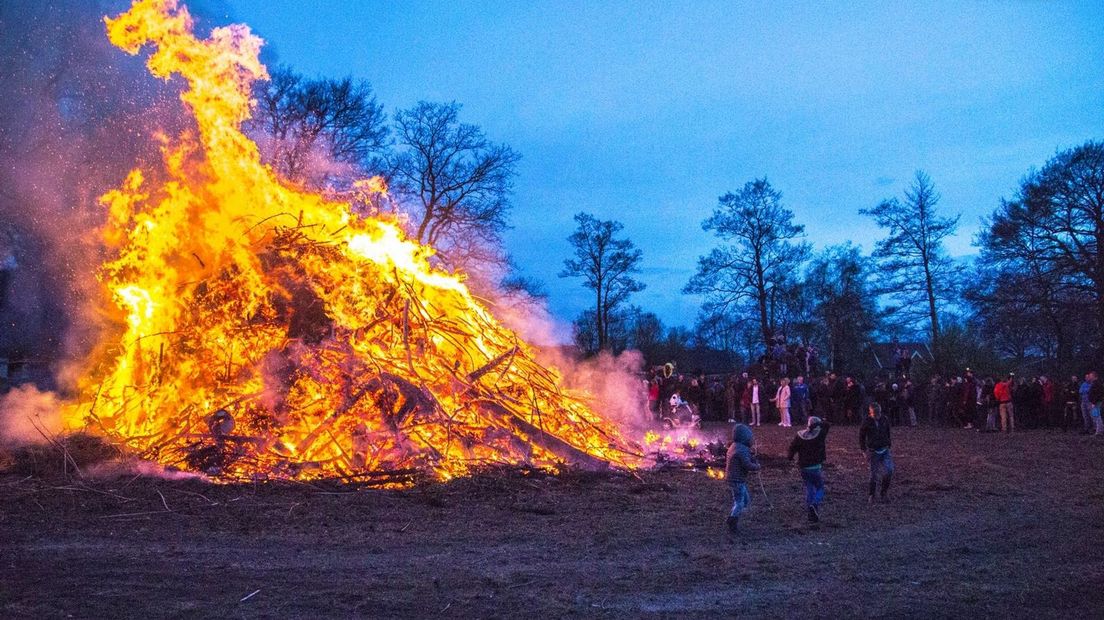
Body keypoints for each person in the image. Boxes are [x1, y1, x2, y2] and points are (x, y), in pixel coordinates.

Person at [787, 416, 831, 523]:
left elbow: (792, 448)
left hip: (803, 467)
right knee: (820, 488)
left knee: (809, 488)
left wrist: (790, 457)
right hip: (816, 467)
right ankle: (814, 504)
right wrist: (819, 423)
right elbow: (827, 424)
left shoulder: (800, 436)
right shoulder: (820, 435)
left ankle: (810, 512)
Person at [725, 424, 761, 534]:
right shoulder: (741, 450)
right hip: (737, 480)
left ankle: (733, 516)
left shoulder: (735, 447)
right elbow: (747, 465)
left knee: (744, 500)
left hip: (734, 478)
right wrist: (757, 466)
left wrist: (752, 456)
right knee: (740, 502)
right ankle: (732, 520)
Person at [859, 403, 894, 503]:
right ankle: (872, 494)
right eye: (875, 414)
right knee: (873, 474)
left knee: (889, 470)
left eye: (879, 413)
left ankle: (884, 492)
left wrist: (889, 444)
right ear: (870, 413)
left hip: (885, 449)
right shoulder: (866, 422)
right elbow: (861, 436)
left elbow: (888, 432)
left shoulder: (885, 419)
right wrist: (864, 450)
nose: (877, 416)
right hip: (873, 451)